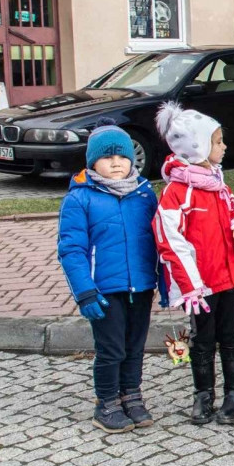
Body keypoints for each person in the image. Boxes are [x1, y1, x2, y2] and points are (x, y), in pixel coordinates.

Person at [58, 126, 167, 433]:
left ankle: (131, 394)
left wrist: (165, 282)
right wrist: (85, 292)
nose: (116, 162)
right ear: (93, 162)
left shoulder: (144, 194)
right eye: (107, 157)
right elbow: (71, 250)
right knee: (111, 349)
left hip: (140, 285)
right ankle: (106, 401)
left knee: (135, 346)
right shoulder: (80, 198)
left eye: (122, 156)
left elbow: (160, 241)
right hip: (104, 289)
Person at [153, 102, 234, 426]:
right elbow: (170, 240)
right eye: (218, 141)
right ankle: (203, 395)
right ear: (197, 146)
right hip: (200, 284)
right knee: (202, 338)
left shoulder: (219, 186)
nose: (224, 147)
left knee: (231, 335)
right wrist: (190, 285)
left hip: (227, 277)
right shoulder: (177, 193)